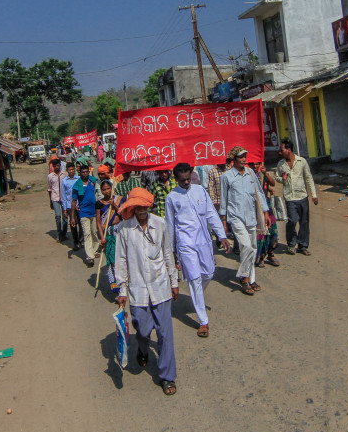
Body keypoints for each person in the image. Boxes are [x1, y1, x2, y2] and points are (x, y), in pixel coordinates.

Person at [114, 187, 180, 396]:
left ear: (149, 205)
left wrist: (174, 281)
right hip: (138, 290)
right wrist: (122, 289)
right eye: (138, 206)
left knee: (165, 334)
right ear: (132, 207)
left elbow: (168, 254)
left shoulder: (160, 224)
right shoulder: (124, 229)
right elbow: (121, 260)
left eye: (145, 206)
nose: (142, 210)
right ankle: (143, 350)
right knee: (142, 330)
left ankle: (167, 377)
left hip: (161, 286)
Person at [164, 162, 231, 338]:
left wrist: (222, 236)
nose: (186, 183)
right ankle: (203, 321)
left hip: (203, 240)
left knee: (208, 273)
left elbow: (211, 214)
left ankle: (197, 295)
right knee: (194, 278)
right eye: (183, 180)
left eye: (188, 179)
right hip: (185, 243)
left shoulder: (200, 191)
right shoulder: (172, 197)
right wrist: (171, 251)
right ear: (176, 179)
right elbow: (170, 225)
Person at [219, 146, 268, 296]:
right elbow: (224, 199)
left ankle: (251, 279)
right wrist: (223, 220)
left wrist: (265, 212)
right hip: (236, 217)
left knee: (253, 247)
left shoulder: (251, 173)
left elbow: (259, 192)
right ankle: (244, 277)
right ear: (234, 159)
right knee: (245, 246)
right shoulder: (226, 177)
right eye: (241, 157)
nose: (244, 159)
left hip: (251, 216)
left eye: (245, 156)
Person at [277, 139, 318, 256]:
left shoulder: (301, 161)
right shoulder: (281, 164)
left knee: (304, 222)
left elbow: (308, 178)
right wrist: (282, 179)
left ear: (289, 150)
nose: (280, 153)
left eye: (282, 150)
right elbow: (277, 178)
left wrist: (314, 195)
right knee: (292, 220)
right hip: (290, 198)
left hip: (302, 196)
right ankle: (291, 243)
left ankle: (303, 245)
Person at [249, 161, 280, 268]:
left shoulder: (263, 174)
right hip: (254, 207)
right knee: (260, 232)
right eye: (253, 164)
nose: (255, 166)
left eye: (257, 164)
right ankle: (259, 257)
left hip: (266, 205)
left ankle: (271, 253)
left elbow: (273, 183)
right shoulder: (247, 176)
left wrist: (266, 174)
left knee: (272, 230)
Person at [96, 179, 122, 299]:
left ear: (112, 188)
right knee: (111, 261)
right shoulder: (99, 204)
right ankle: (115, 286)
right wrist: (102, 238)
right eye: (104, 189)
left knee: (121, 259)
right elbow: (98, 221)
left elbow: (123, 215)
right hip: (107, 233)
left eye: (108, 189)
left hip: (119, 233)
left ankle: (124, 285)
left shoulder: (119, 200)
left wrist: (114, 205)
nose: (106, 191)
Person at [70, 164, 98, 267]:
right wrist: (72, 217)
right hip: (83, 213)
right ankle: (90, 257)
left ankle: (94, 250)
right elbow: (73, 201)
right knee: (87, 234)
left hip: (94, 212)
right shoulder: (77, 185)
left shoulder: (93, 182)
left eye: (87, 172)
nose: (85, 174)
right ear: (80, 173)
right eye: (83, 172)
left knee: (94, 232)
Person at [59, 162, 79, 245]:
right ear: (67, 170)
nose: (71, 171)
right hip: (69, 206)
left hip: (79, 204)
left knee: (81, 224)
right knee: (73, 223)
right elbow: (63, 195)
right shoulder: (64, 181)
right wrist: (64, 209)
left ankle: (81, 240)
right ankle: (75, 241)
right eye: (70, 170)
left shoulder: (78, 179)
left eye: (73, 169)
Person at [47, 158, 65, 242]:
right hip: (55, 198)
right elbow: (49, 189)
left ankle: (64, 234)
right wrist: (50, 201)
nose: (57, 167)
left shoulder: (64, 174)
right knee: (58, 216)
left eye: (58, 165)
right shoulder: (50, 176)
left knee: (65, 218)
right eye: (55, 166)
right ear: (53, 167)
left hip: (64, 199)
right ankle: (59, 234)